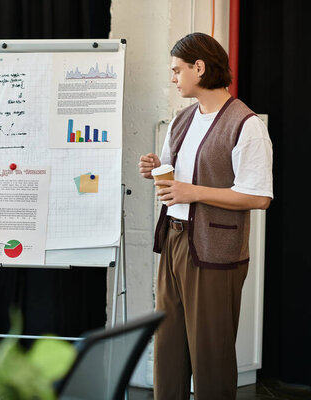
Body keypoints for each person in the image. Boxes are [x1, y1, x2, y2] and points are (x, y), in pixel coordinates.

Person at [138, 33, 273, 400]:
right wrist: (154, 168)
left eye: (177, 70)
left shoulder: (247, 126)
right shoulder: (181, 120)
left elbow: (259, 197)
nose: (173, 78)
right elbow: (173, 178)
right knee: (168, 350)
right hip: (174, 241)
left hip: (215, 252)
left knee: (210, 356)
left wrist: (193, 192)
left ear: (200, 67)